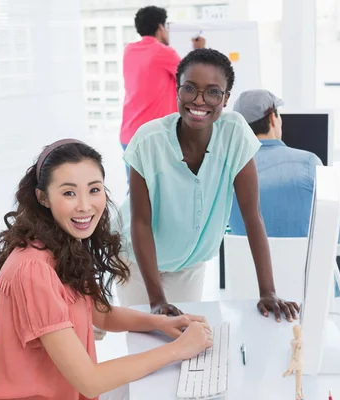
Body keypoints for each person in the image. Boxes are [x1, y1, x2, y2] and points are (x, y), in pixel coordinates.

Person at [0, 139, 213, 400]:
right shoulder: (33, 269)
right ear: (43, 197)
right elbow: (90, 381)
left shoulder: (63, 245)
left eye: (94, 190)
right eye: (69, 193)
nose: (85, 206)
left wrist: (162, 323)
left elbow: (101, 315)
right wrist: (179, 350)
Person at [116, 49, 299, 324]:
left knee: (185, 343)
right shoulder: (148, 141)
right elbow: (140, 222)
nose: (199, 101)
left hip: (188, 264)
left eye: (213, 92)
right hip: (135, 263)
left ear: (225, 99)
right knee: (147, 342)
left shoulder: (235, 133)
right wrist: (157, 301)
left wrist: (268, 291)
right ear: (177, 90)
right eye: (189, 89)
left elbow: (252, 216)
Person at [228, 89, 340, 243]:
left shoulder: (229, 171)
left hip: (249, 267)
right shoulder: (310, 163)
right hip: (303, 268)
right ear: (272, 118)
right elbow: (335, 231)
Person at [120, 6, 205, 182]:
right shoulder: (163, 52)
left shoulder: (129, 51)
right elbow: (194, 77)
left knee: (136, 195)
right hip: (154, 138)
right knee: (163, 192)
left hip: (129, 135)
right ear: (160, 27)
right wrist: (198, 50)